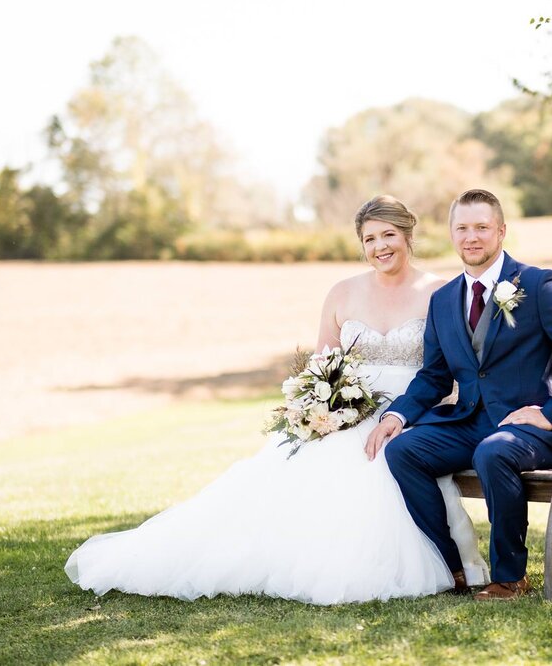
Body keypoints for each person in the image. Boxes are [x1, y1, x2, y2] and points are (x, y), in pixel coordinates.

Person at [65, 195, 489, 604]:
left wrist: (413, 413)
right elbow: (324, 363)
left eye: (388, 235)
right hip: (348, 411)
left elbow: (447, 371)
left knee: (391, 456)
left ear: (408, 236)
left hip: (415, 412)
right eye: (369, 239)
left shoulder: (442, 292)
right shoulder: (342, 293)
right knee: (320, 461)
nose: (380, 247)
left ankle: (444, 563)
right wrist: (322, 406)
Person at [366, 188, 552, 600]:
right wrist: (397, 415)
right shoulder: (443, 300)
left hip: (530, 430)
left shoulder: (537, 284)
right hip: (472, 421)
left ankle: (510, 577)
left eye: (481, 227)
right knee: (403, 451)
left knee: (493, 451)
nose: (471, 237)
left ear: (501, 231)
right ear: (451, 234)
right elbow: (434, 376)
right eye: (462, 228)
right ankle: (451, 567)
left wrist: (551, 413)